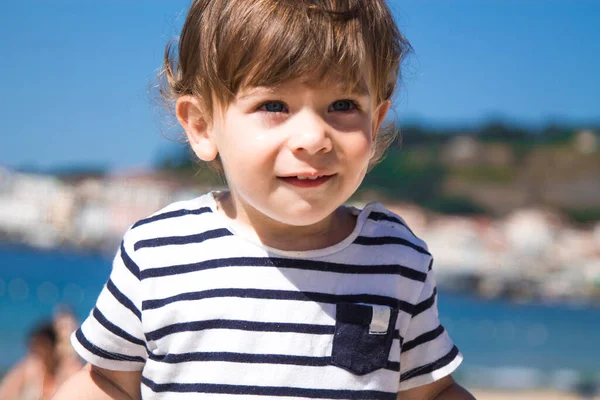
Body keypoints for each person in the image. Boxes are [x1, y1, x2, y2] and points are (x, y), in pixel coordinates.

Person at [54, 0, 476, 399]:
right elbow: (107, 383)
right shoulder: (159, 254)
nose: (313, 138)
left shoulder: (395, 259)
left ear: (376, 120)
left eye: (343, 105)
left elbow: (431, 391)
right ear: (202, 126)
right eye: (274, 104)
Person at [0, 322, 59, 400]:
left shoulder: (64, 371)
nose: (38, 353)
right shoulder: (29, 368)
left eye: (42, 348)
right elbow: (4, 393)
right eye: (35, 349)